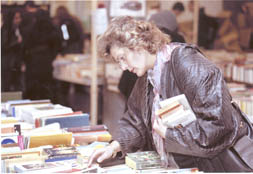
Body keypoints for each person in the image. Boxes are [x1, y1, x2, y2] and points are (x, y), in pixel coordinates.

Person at [88, 16, 253, 172]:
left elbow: (220, 124)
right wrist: (113, 147)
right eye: (119, 61)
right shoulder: (147, 77)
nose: (123, 67)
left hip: (219, 166)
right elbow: (135, 121)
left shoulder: (186, 63)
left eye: (123, 58)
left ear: (138, 45)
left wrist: (170, 135)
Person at [22, 1, 61, 102]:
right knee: (46, 86)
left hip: (33, 61)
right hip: (46, 60)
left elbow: (25, 45)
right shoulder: (52, 28)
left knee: (34, 88)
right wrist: (51, 56)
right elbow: (57, 44)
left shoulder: (31, 28)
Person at [1, 9, 25, 92]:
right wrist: (17, 42)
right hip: (7, 65)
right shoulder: (5, 31)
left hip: (15, 64)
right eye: (16, 18)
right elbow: (4, 46)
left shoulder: (18, 30)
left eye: (19, 18)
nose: (19, 20)